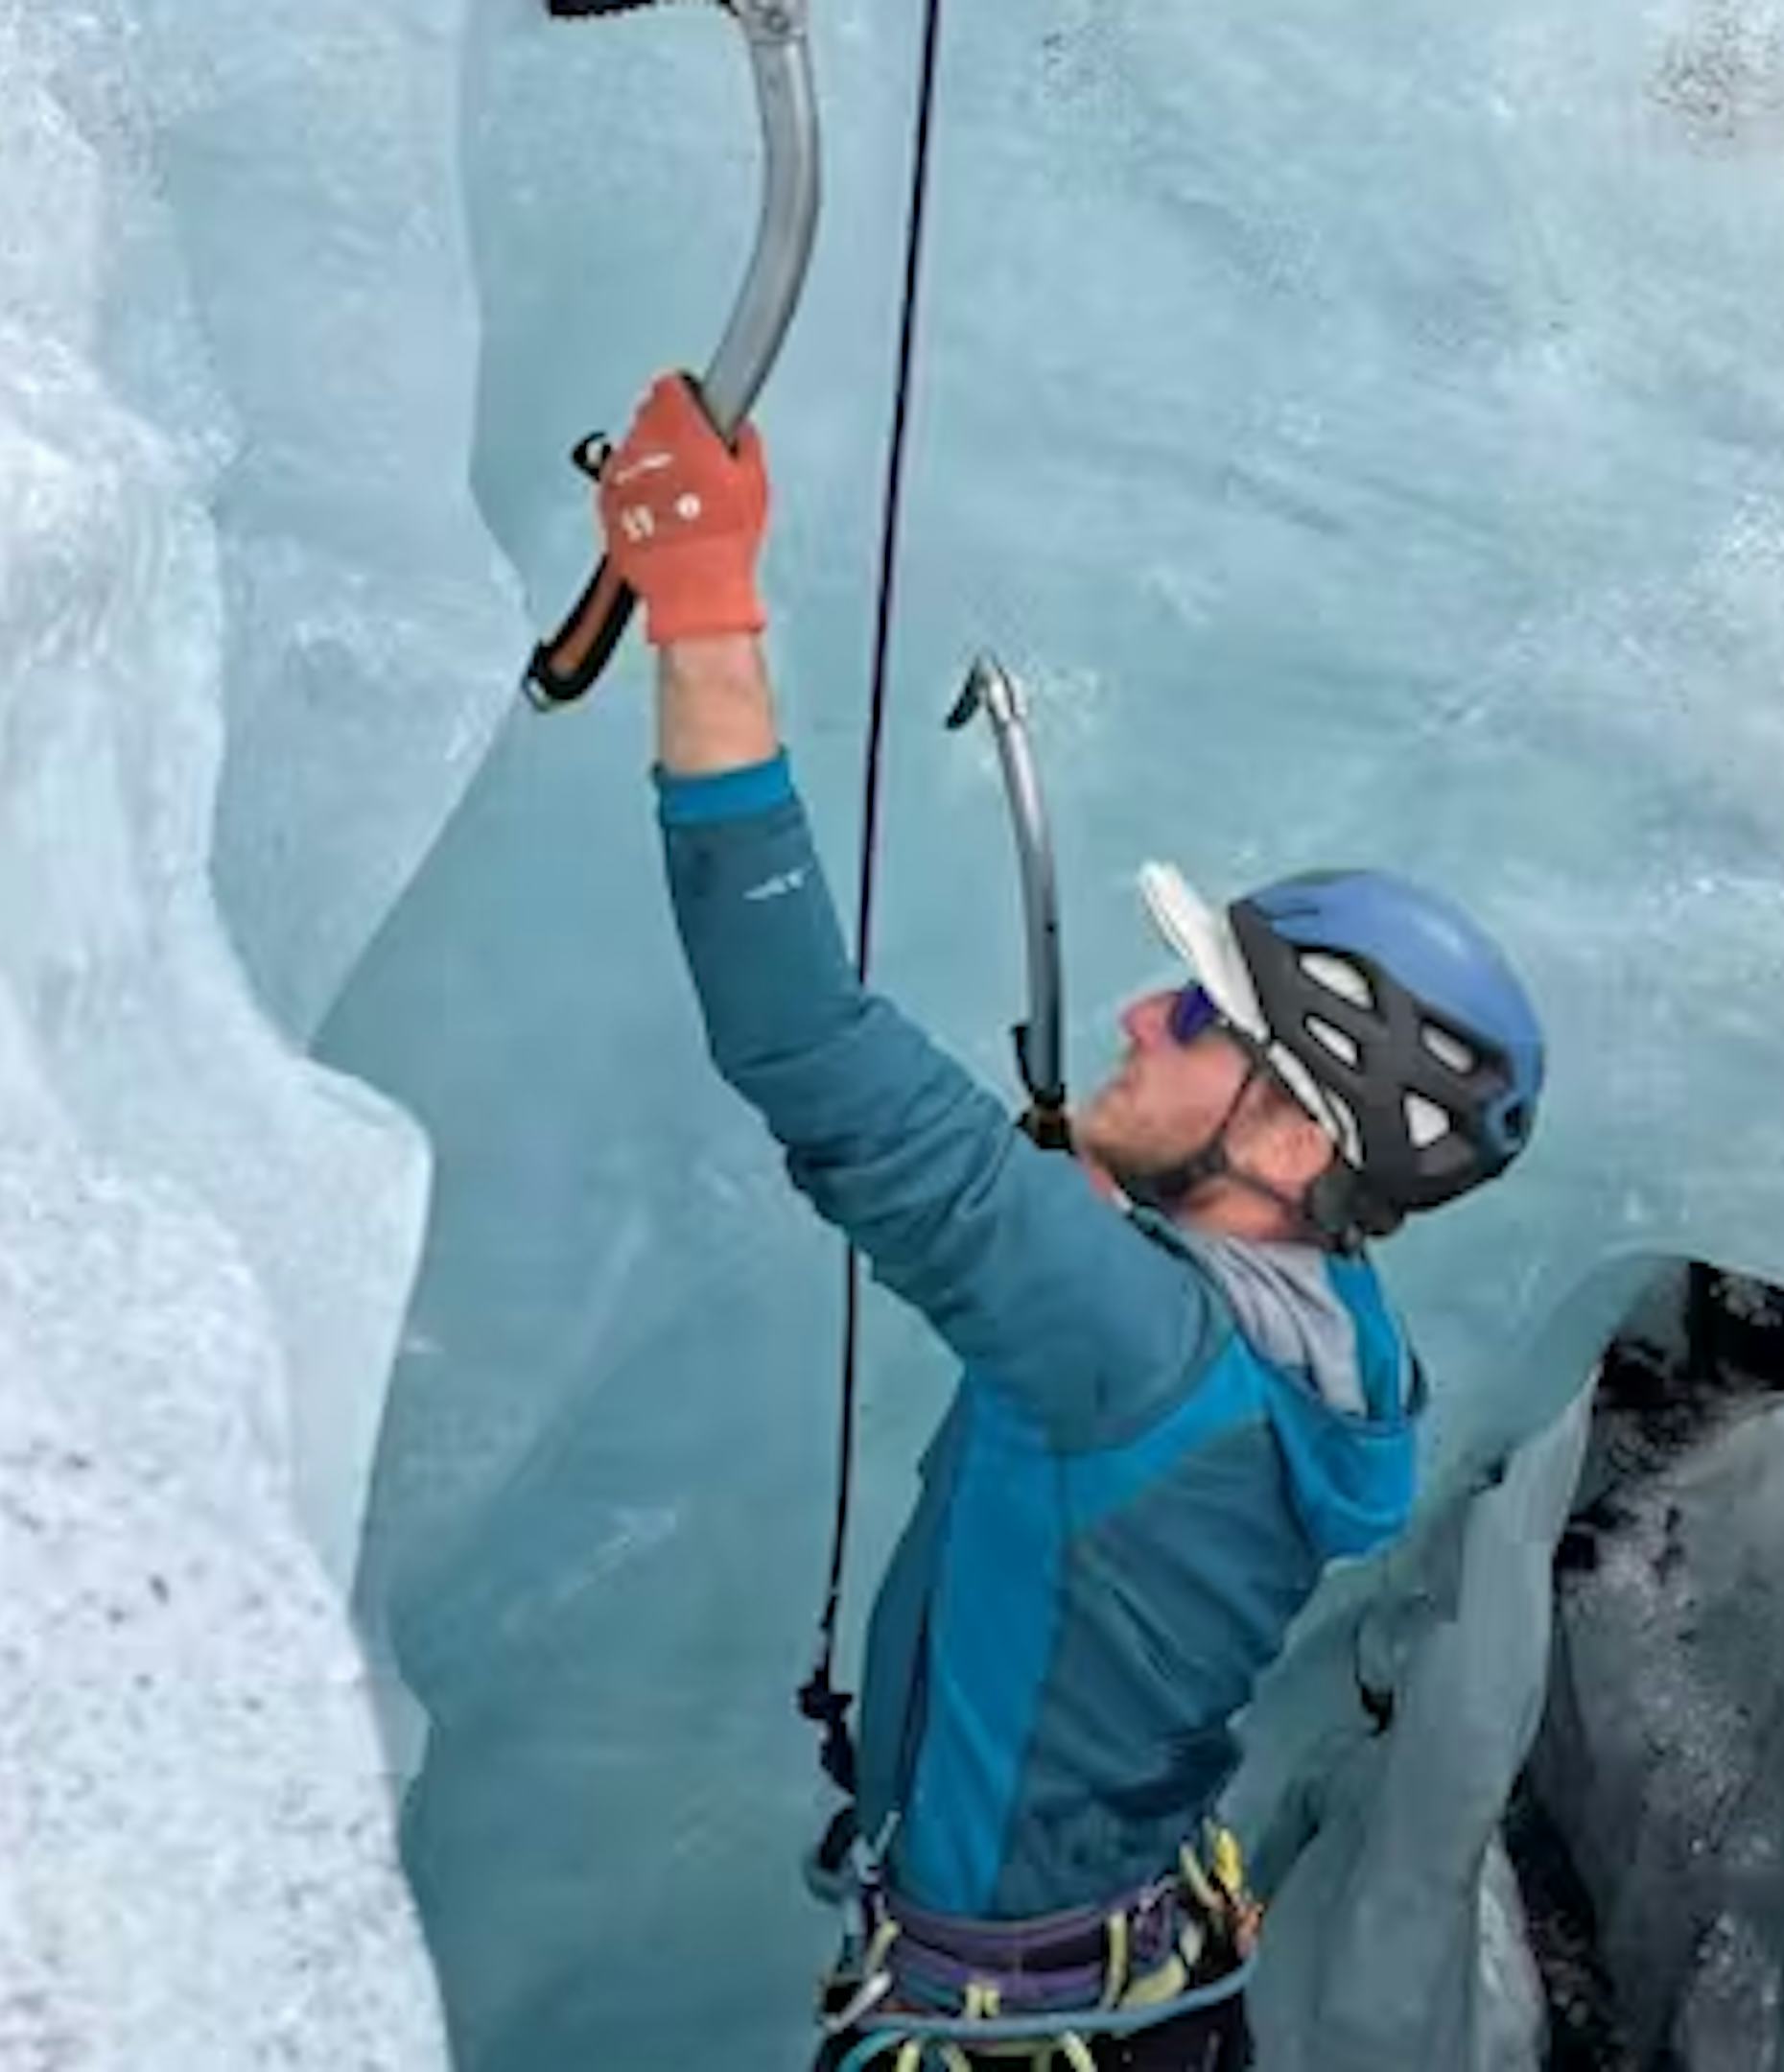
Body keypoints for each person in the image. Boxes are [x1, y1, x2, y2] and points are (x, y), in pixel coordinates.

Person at [599, 374, 1547, 2069]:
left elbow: (805, 1045)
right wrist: (1123, 1205)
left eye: (1195, 1019)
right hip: (1146, 1999)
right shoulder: (1329, 1334)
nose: (1132, 1016)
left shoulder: (1126, 1348)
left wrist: (702, 609)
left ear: (1288, 1138)